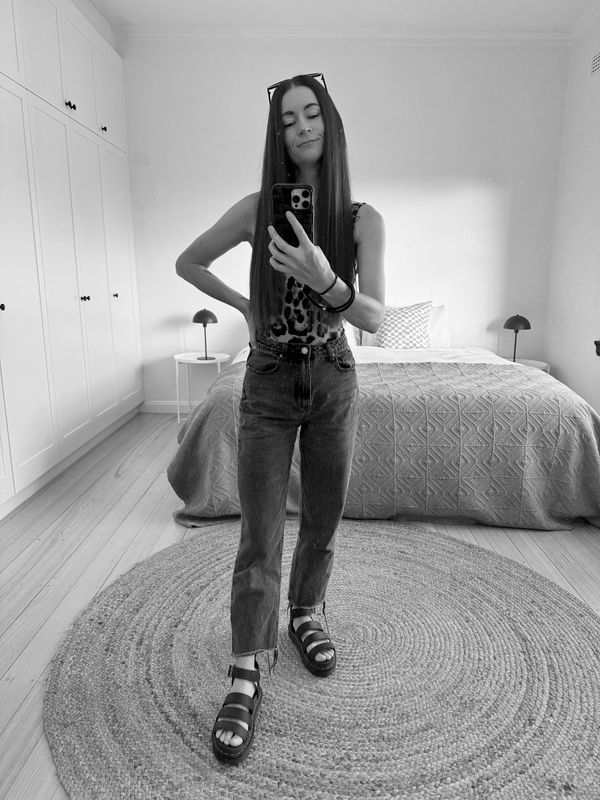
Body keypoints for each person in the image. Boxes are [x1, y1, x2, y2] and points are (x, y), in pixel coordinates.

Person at [175, 73, 385, 763]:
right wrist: (243, 305)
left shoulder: (362, 220)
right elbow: (188, 261)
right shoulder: (256, 209)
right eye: (288, 120)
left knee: (323, 518)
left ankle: (305, 613)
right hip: (266, 377)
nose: (301, 128)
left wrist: (325, 278)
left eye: (311, 114)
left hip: (334, 377)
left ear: (331, 121)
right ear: (277, 135)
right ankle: (245, 670)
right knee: (259, 533)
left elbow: (376, 318)